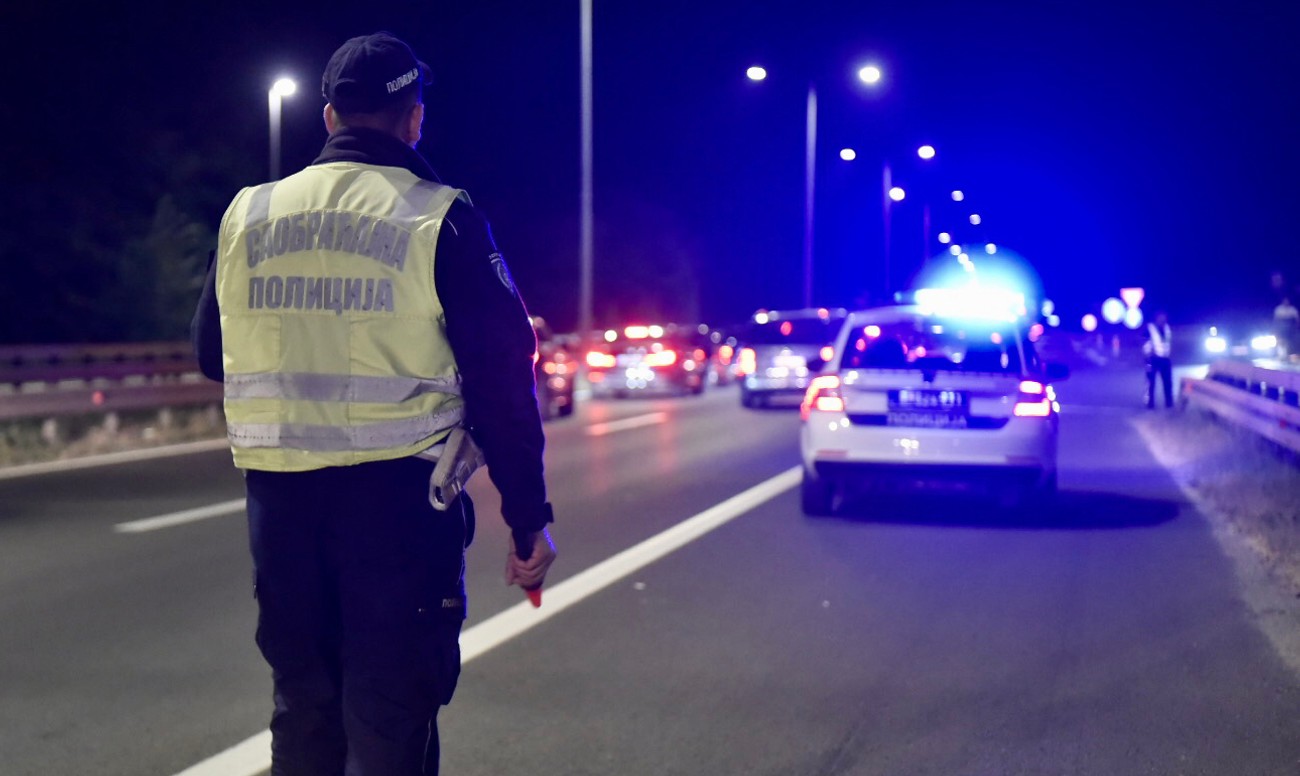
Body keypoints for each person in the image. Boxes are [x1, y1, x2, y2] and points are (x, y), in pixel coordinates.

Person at [191, 31, 556, 775]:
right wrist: (527, 522)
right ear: (414, 119)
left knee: (304, 711)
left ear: (329, 117)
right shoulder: (440, 217)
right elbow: (503, 380)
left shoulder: (248, 215)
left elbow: (209, 353)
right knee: (390, 721)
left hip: (281, 511)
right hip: (397, 510)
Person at [1144, 310, 1174, 409]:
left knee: (1168, 382)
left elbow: (1168, 343)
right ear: (1156, 318)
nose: (1163, 319)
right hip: (1152, 359)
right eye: (1161, 317)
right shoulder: (1150, 328)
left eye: (1164, 317)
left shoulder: (1167, 328)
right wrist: (1147, 354)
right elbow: (1144, 343)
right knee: (1150, 382)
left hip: (1165, 359)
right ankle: (1150, 403)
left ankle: (1169, 403)